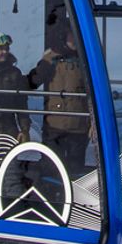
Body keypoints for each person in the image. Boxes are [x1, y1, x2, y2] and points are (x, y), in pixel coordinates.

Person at [27, 14, 93, 175]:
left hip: (78, 127)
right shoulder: (51, 58)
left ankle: (71, 198)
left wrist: (93, 123)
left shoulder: (86, 60)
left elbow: (92, 95)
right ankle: (53, 197)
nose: (75, 39)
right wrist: (45, 63)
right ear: (64, 35)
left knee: (74, 169)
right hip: (54, 126)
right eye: (72, 34)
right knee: (51, 168)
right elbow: (33, 82)